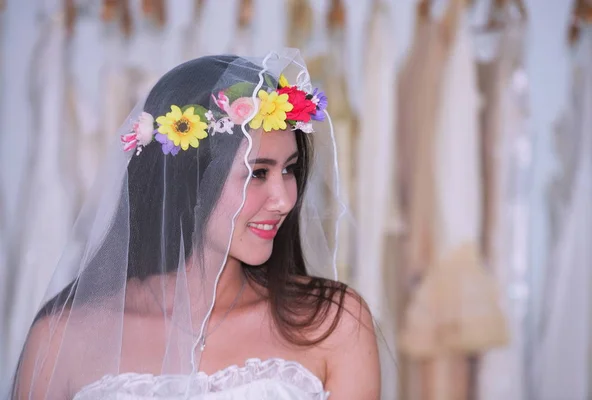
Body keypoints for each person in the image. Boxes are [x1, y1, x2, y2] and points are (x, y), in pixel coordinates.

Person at [8, 50, 381, 399]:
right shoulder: (61, 337)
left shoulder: (335, 325)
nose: (285, 199)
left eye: (289, 170)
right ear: (190, 178)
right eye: (258, 173)